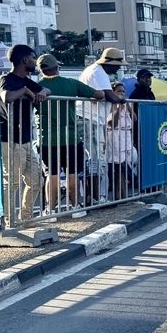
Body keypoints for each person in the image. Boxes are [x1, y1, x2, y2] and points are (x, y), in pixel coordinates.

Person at [35, 53, 102, 217]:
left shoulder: (37, 87)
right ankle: (75, 207)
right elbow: (99, 94)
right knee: (72, 172)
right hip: (71, 137)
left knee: (52, 174)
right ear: (57, 68)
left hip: (47, 139)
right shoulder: (71, 83)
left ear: (41, 70)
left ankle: (50, 211)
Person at [0, 44, 49, 224]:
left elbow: (46, 90)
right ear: (25, 60)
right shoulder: (5, 79)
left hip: (26, 139)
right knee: (13, 182)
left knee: (36, 180)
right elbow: (6, 97)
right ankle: (10, 221)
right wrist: (25, 91)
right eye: (33, 58)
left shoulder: (26, 80)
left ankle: (26, 217)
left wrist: (41, 94)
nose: (35, 62)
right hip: (10, 140)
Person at [77, 47, 127, 204]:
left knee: (94, 159)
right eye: (117, 65)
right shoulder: (98, 72)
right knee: (95, 160)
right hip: (89, 119)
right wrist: (121, 100)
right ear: (109, 63)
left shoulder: (95, 70)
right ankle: (96, 198)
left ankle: (94, 197)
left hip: (90, 118)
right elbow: (110, 95)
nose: (119, 68)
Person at [106, 82, 136, 201]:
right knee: (118, 166)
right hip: (115, 135)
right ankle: (118, 195)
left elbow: (134, 118)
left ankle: (124, 194)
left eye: (123, 91)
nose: (122, 94)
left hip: (126, 134)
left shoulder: (127, 105)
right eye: (119, 91)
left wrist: (127, 106)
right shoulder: (111, 105)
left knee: (124, 165)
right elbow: (113, 123)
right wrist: (118, 107)